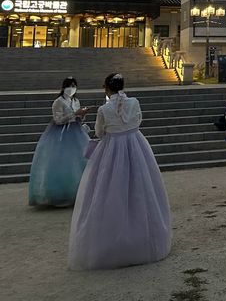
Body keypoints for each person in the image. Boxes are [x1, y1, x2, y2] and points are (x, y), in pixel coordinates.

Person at [68, 73, 171, 270]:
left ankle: (111, 242)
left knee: (108, 191)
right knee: (142, 188)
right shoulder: (133, 102)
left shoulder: (104, 109)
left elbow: (99, 132)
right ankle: (145, 239)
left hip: (112, 149)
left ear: (106, 88)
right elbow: (138, 120)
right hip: (136, 144)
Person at [28, 77, 91, 207]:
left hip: (76, 132)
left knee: (79, 161)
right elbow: (58, 120)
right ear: (63, 87)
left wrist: (81, 115)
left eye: (74, 85)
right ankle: (61, 193)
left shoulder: (76, 100)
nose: (72, 88)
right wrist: (74, 114)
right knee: (63, 163)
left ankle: (79, 192)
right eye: (70, 85)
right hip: (61, 135)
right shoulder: (58, 102)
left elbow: (77, 117)